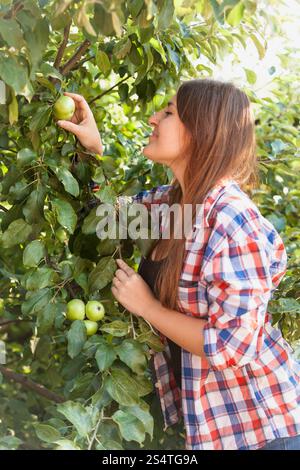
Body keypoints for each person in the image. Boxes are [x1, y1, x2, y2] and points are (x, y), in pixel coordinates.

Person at [56, 78, 300, 450]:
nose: (154, 118)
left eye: (168, 112)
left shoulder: (232, 221)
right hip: (219, 428)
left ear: (200, 132)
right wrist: (92, 150)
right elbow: (105, 217)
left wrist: (148, 307)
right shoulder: (174, 205)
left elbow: (233, 347)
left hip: (263, 428)